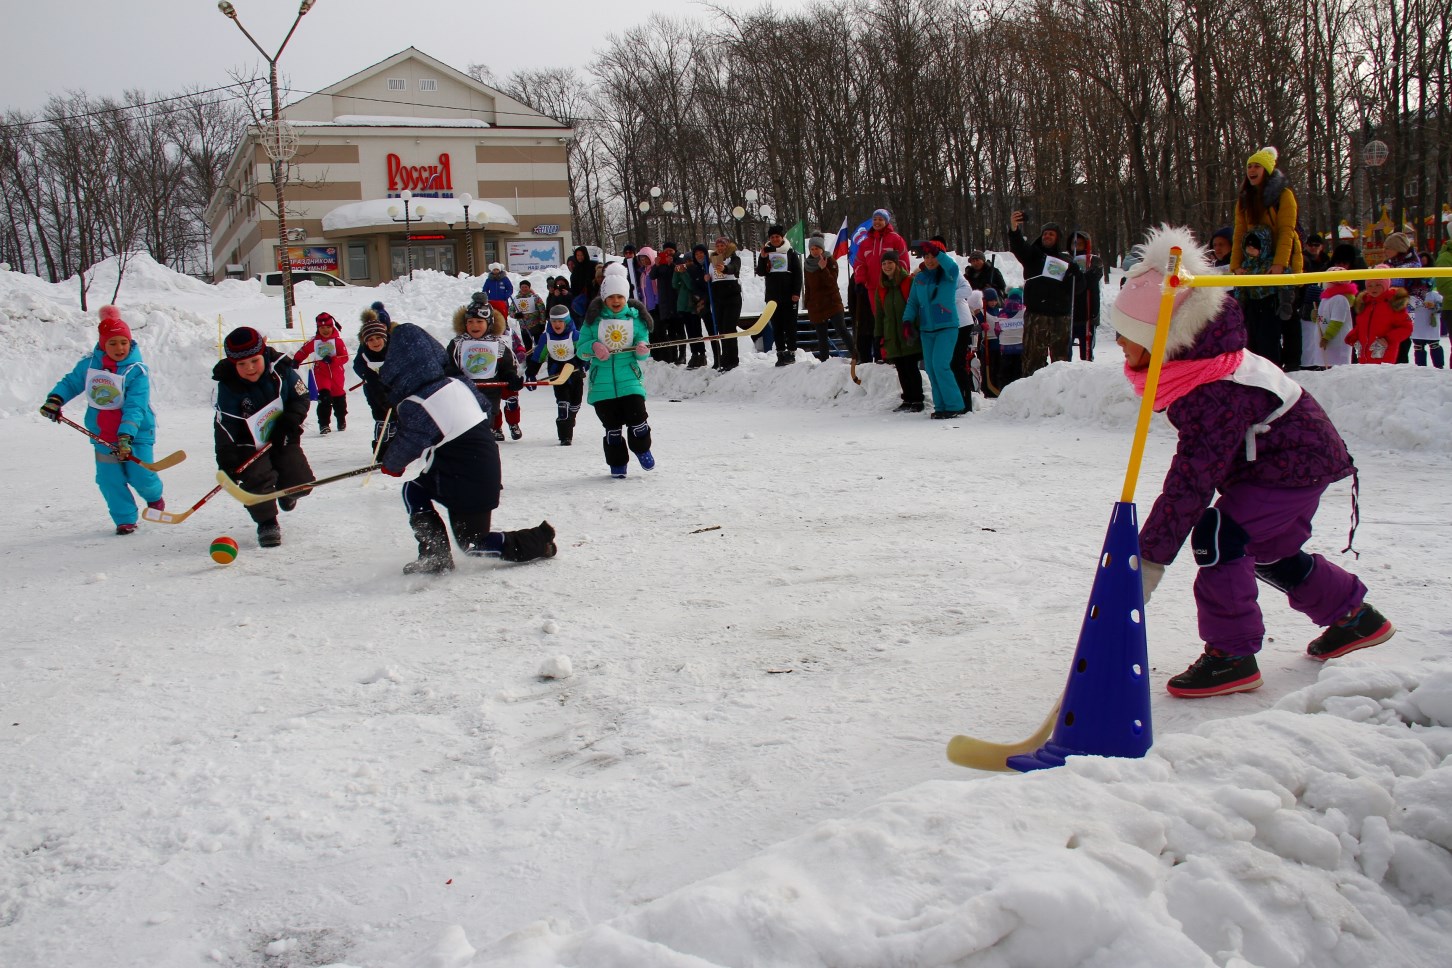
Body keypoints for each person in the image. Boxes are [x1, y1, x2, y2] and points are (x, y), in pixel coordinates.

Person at [1114, 225, 1393, 698]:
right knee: (1265, 548)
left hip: (1293, 464)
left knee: (1221, 534)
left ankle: (1233, 655)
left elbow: (1192, 478)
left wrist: (1150, 558)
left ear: (1160, 336)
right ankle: (1354, 616)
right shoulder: (1197, 366)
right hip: (1285, 461)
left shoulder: (1215, 386)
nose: (1119, 344)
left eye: (1127, 334)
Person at [376, 321, 556, 574]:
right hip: (466, 463)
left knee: (473, 543)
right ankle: (435, 555)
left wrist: (392, 465)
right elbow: (484, 408)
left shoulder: (417, 402)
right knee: (414, 490)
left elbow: (410, 441)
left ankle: (540, 541)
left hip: (471, 475)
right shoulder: (457, 381)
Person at [40, 305, 165, 535]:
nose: (119, 348)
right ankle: (125, 519)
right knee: (109, 479)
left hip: (135, 435)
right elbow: (71, 383)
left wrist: (126, 434)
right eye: (113, 343)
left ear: (130, 342)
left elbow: (135, 405)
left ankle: (154, 496)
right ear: (102, 344)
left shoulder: (136, 371)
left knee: (140, 475)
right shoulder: (90, 365)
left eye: (124, 342)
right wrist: (55, 400)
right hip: (103, 435)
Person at [212, 327, 314, 548]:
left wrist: (290, 420)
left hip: (282, 434)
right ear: (233, 364)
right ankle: (267, 522)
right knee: (256, 478)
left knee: (301, 484)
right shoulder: (228, 385)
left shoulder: (282, 370)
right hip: (248, 443)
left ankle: (287, 493)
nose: (249, 368)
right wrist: (227, 459)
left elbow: (301, 397)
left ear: (264, 354)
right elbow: (225, 424)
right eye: (241, 364)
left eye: (254, 361)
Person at [578, 264, 654, 477]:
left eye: (620, 296)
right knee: (612, 428)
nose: (616, 301)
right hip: (601, 384)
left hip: (629, 379)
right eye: (611, 297)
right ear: (604, 298)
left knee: (637, 419)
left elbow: (643, 348)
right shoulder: (593, 321)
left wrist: (641, 349)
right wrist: (593, 346)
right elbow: (580, 349)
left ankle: (642, 448)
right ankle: (617, 462)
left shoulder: (636, 320)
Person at [1231, 147, 1303, 368]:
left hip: (1284, 260)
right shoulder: (1245, 199)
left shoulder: (1283, 195)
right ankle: (1258, 367)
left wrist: (1279, 263)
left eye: (1257, 166)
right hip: (1255, 264)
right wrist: (1236, 265)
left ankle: (1291, 367)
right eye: (1249, 166)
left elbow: (1286, 231)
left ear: (1268, 170)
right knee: (1255, 321)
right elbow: (1239, 233)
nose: (1251, 170)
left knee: (1285, 316)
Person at [1007, 211, 1080, 376]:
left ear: (1058, 238)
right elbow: (1019, 246)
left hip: (1061, 317)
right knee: (1032, 360)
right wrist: (1014, 229)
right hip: (1036, 316)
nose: (1047, 236)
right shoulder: (1032, 255)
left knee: (1062, 363)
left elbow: (1079, 288)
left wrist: (1076, 274)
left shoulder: (1067, 261)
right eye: (1045, 233)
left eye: (1051, 234)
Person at [447, 297, 525, 441]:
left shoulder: (497, 343)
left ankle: (483, 450)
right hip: (464, 392)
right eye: (470, 322)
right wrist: (454, 374)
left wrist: (511, 377)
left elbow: (506, 366)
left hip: (490, 392)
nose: (474, 325)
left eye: (479, 321)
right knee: (465, 426)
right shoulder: (457, 343)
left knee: (485, 425)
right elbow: (448, 364)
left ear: (488, 323)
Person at [903, 240, 966, 418]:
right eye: (926, 257)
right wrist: (907, 321)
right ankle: (940, 406)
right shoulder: (920, 279)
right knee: (930, 368)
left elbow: (952, 266)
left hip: (946, 327)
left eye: (933, 256)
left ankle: (954, 405)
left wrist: (939, 253)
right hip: (926, 330)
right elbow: (913, 302)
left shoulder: (948, 275)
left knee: (940, 365)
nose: (930, 260)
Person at [851, 209, 909, 364]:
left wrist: (898, 280)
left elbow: (903, 262)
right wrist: (860, 281)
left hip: (890, 286)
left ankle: (892, 352)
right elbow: (859, 263)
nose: (877, 222)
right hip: (872, 288)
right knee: (878, 320)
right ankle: (881, 352)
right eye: (875, 219)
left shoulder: (895, 239)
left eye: (880, 220)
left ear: (886, 222)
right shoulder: (866, 242)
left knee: (890, 318)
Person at [528, 304, 585, 444]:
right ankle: (565, 436)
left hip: (574, 374)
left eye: (560, 321)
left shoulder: (576, 335)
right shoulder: (546, 338)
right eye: (554, 321)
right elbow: (537, 357)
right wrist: (531, 374)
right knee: (562, 404)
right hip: (557, 375)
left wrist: (580, 364)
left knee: (575, 404)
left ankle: (571, 418)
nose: (557, 325)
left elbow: (584, 354)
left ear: (566, 321)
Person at [875, 251, 923, 412]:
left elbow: (917, 305)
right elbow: (880, 314)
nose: (887, 266)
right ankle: (908, 398)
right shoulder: (881, 287)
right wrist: (878, 335)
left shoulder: (909, 282)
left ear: (897, 264)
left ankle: (917, 399)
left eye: (890, 263)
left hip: (908, 332)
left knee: (911, 366)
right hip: (892, 334)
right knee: (901, 368)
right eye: (884, 264)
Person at [1382, 232, 1439, 366]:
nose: (1385, 251)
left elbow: (1420, 293)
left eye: (1388, 248)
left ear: (1398, 248)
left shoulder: (1413, 267)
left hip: (1403, 314)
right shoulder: (1387, 265)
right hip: (1386, 312)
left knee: (1400, 347)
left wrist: (1403, 303)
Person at [294, 312, 350, 435]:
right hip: (321, 374)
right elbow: (304, 351)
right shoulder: (314, 341)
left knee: (339, 399)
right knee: (324, 397)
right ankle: (324, 424)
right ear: (318, 328)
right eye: (322, 328)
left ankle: (341, 419)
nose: (325, 330)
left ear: (332, 327)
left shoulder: (338, 341)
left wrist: (334, 360)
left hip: (337, 375)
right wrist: (297, 360)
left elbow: (345, 357)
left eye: (328, 327)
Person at [1303, 243, 1357, 369]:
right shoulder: (1326, 298)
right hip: (1325, 345)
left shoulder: (1339, 299)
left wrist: (1327, 337)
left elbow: (1337, 321)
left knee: (1336, 369)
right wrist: (1314, 316)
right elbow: (1322, 319)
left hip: (1335, 344)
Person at [756, 224, 803, 366]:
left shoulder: (790, 252)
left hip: (789, 296)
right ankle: (780, 352)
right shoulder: (766, 252)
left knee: (790, 325)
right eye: (772, 237)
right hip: (773, 296)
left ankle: (791, 352)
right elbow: (760, 272)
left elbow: (798, 274)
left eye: (777, 236)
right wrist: (763, 258)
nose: (775, 239)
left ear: (782, 237)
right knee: (777, 325)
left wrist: (796, 292)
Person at [1236, 227, 1283, 363]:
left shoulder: (1271, 263)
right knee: (1252, 337)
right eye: (1248, 246)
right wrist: (1240, 302)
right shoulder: (1245, 265)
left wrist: (1286, 300)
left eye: (1254, 246)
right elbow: (1240, 284)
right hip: (1252, 304)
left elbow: (1285, 280)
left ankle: (1273, 365)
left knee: (1268, 338)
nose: (1250, 250)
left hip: (1269, 303)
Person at [803, 234, 851, 363]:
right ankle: (824, 362)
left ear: (822, 249)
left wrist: (824, 269)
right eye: (812, 249)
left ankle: (856, 355)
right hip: (816, 304)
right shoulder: (807, 264)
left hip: (832, 302)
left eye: (817, 248)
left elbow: (832, 282)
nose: (814, 251)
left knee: (841, 330)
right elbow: (807, 285)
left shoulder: (829, 260)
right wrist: (807, 302)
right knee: (821, 336)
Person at [1346, 272, 1412, 364]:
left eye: (1378, 285)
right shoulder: (1365, 304)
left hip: (1384, 354)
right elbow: (1361, 325)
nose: (1373, 288)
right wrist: (1353, 335)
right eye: (1370, 285)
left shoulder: (1393, 304)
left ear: (1385, 285)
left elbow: (1406, 327)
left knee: (1381, 375)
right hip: (1363, 355)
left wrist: (1388, 339)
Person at [354, 307, 394, 456]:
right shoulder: (364, 354)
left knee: (396, 418)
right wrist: (367, 375)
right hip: (374, 390)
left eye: (378, 338)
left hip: (395, 389)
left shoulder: (394, 349)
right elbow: (358, 367)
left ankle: (397, 448)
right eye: (370, 340)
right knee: (381, 417)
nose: (375, 342)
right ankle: (381, 450)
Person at [708, 236, 744, 371]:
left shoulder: (734, 258)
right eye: (718, 246)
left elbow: (733, 268)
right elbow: (711, 276)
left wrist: (725, 268)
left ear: (727, 246)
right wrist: (707, 277)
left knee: (729, 328)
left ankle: (733, 359)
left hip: (732, 298)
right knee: (721, 329)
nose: (720, 248)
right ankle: (724, 358)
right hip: (718, 299)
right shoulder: (712, 260)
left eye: (722, 246)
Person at [1070, 231, 1103, 361]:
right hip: (1070, 314)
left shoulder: (1094, 260)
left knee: (1087, 353)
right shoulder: (1066, 259)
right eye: (1074, 243)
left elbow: (1091, 280)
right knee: (1065, 354)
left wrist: (1077, 274)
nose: (1077, 246)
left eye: (1080, 243)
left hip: (1088, 314)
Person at [686, 243, 717, 369]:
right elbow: (694, 287)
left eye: (701, 253)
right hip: (703, 304)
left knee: (715, 332)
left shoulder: (711, 266)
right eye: (697, 253)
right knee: (710, 332)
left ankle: (720, 358)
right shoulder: (693, 269)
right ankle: (715, 359)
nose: (699, 255)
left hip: (714, 303)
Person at [993, 287, 1026, 388]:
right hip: (1021, 345)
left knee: (1006, 371)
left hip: (1005, 346)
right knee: (1019, 370)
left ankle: (1004, 389)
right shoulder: (1025, 311)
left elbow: (997, 330)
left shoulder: (1002, 312)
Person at [510, 278, 549, 346]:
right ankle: (529, 356)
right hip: (524, 327)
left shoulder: (535, 297)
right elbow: (510, 311)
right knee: (528, 346)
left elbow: (542, 310)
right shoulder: (516, 298)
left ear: (529, 287)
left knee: (538, 345)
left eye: (526, 287)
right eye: (522, 287)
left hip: (536, 326)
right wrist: (516, 315)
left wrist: (542, 323)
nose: (524, 289)